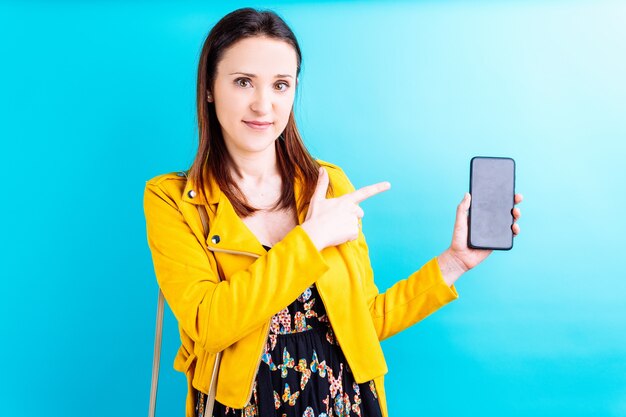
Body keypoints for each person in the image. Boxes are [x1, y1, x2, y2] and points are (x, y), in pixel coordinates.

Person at [143, 7, 522, 417]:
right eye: (243, 82)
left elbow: (366, 320)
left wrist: (455, 262)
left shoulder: (328, 185)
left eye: (280, 85)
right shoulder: (175, 199)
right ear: (210, 87)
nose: (263, 105)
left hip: (345, 401)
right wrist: (310, 240)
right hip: (245, 406)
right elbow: (209, 324)